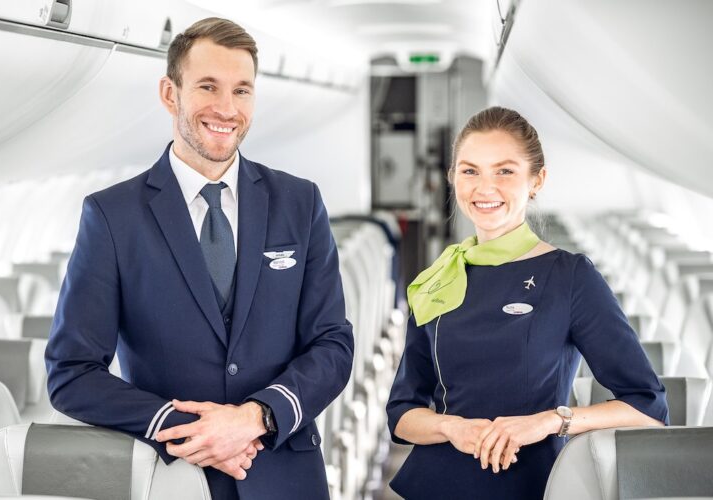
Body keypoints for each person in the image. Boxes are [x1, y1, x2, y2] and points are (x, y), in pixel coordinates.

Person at [45, 17, 353, 500]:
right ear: (170, 94)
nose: (226, 109)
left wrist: (255, 417)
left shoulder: (299, 202)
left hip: (285, 477)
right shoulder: (112, 216)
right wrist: (190, 428)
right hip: (171, 478)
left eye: (242, 91)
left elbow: (332, 344)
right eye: (208, 86)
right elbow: (72, 372)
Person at [385, 106, 668, 499]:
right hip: (436, 486)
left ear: (537, 180)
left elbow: (647, 409)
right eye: (470, 171)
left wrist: (550, 421)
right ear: (452, 177)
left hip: (532, 485)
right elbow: (402, 414)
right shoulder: (438, 279)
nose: (485, 188)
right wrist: (452, 427)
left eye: (504, 171)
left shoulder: (570, 277)